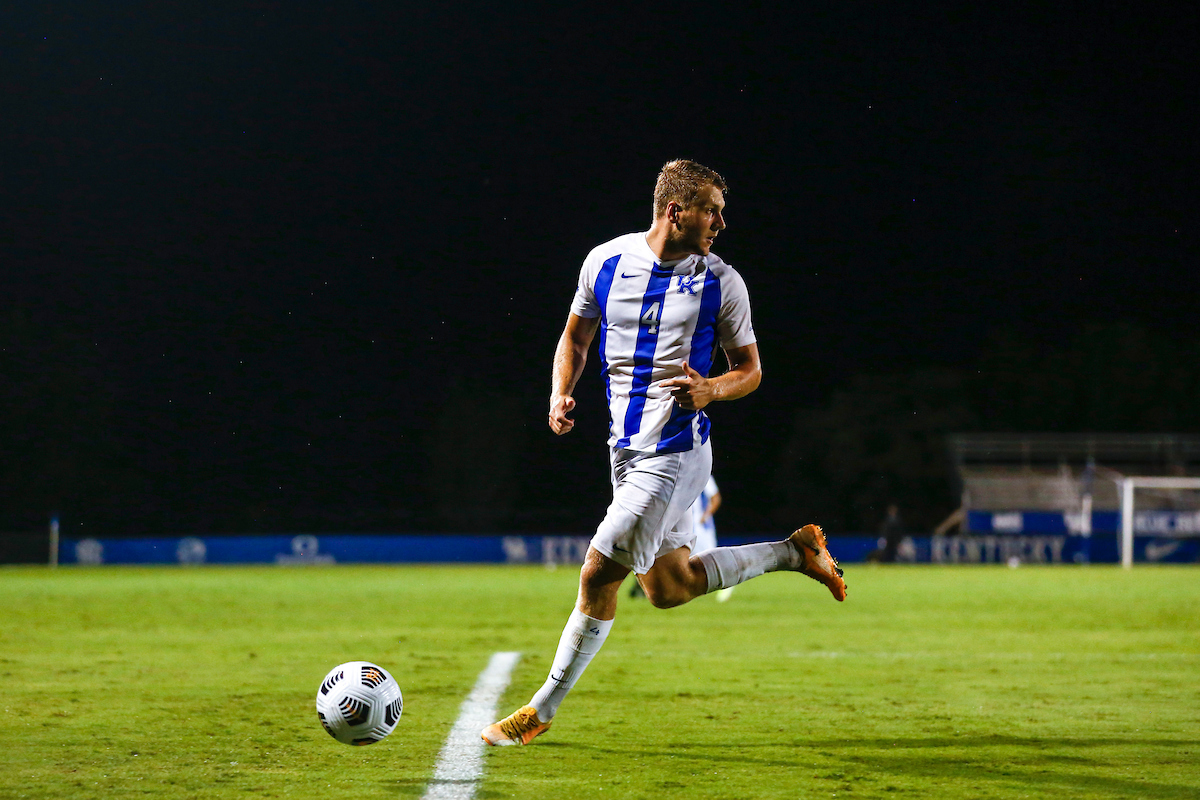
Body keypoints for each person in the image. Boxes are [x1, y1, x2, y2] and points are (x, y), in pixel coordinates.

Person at [481, 160, 847, 747]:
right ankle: (794, 553)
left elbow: (750, 371)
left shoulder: (722, 282)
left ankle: (541, 709)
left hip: (675, 453)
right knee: (668, 587)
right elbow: (576, 334)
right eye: (711, 209)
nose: (721, 222)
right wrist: (560, 391)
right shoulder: (604, 262)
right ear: (675, 211)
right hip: (625, 452)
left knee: (598, 573)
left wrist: (710, 389)